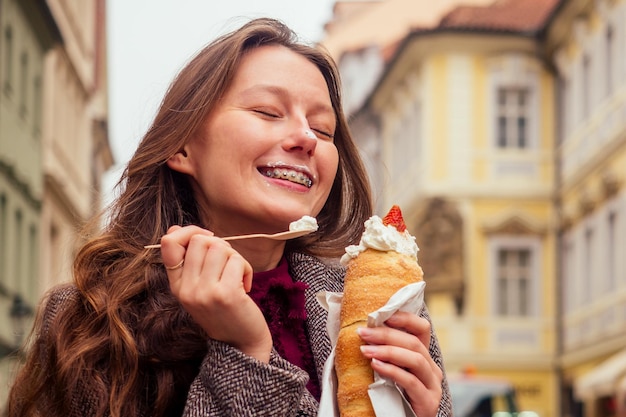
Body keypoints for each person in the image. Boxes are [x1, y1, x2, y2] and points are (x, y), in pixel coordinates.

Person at [7, 17, 452, 417]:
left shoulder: (384, 311)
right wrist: (246, 351)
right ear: (181, 147)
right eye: (266, 112)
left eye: (323, 128)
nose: (305, 138)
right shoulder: (91, 321)